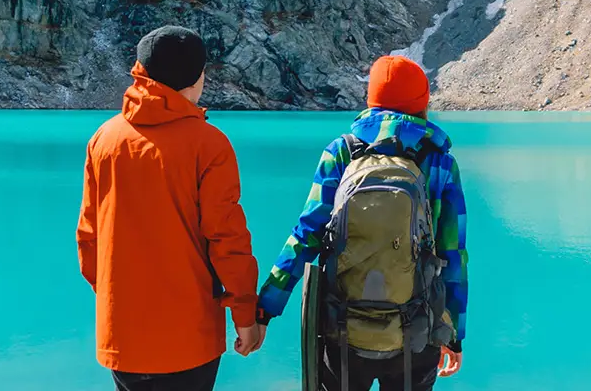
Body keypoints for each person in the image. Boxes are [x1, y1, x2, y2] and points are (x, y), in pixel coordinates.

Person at [252, 55, 469, 391]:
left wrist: (266, 306)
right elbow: (453, 253)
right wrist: (453, 333)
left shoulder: (342, 151)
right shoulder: (440, 162)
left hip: (343, 325)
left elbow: (306, 235)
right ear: (422, 102)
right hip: (417, 328)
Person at [77, 25, 265, 391]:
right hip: (188, 340)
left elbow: (88, 239)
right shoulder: (209, 145)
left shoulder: (104, 139)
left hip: (123, 337)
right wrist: (245, 315)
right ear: (196, 79)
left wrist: (119, 302)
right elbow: (227, 240)